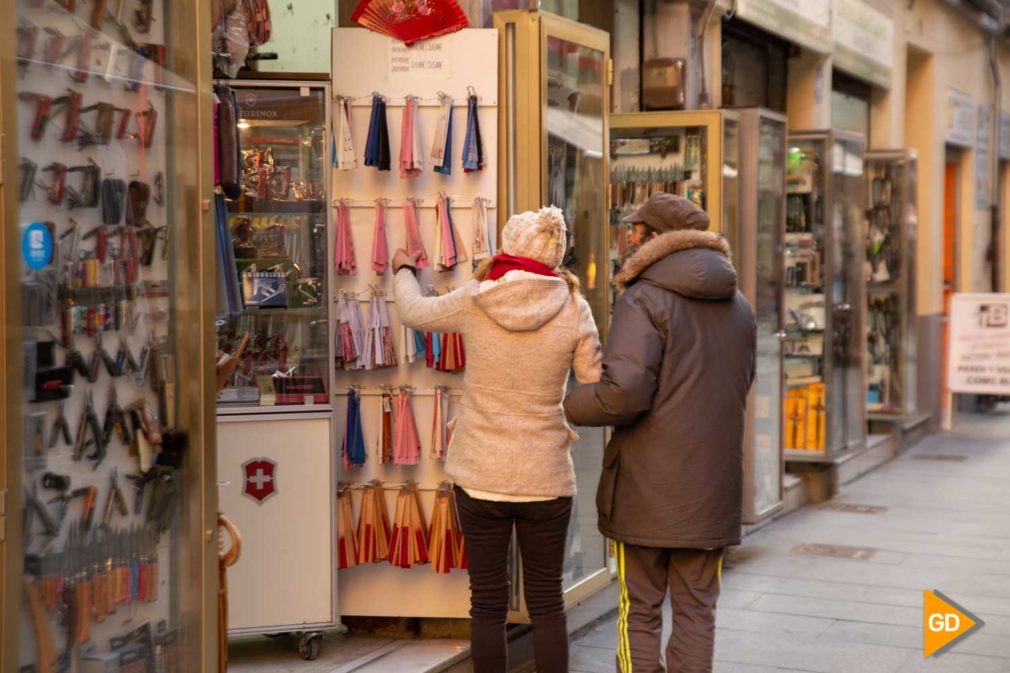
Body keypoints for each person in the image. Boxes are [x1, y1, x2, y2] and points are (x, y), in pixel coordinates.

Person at [391, 205, 602, 673]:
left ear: (510, 246)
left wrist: (404, 269)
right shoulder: (573, 307)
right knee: (547, 602)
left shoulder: (478, 298)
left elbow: (411, 312)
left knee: (486, 602)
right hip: (546, 474)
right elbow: (593, 380)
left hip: (480, 472)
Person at [564, 192, 757, 673]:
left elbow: (623, 394)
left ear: (656, 239)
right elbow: (740, 384)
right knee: (697, 610)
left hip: (647, 491)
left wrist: (563, 403)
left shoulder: (643, 298)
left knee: (640, 608)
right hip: (713, 488)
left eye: (635, 230)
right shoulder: (740, 306)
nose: (627, 238)